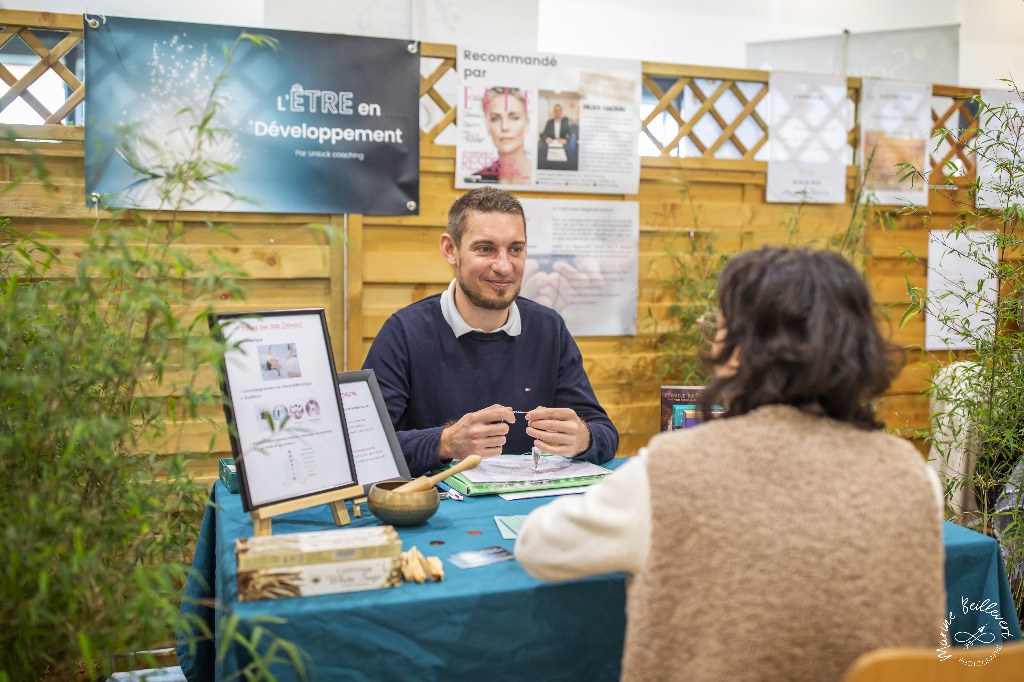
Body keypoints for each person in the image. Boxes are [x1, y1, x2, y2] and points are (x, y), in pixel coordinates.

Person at [515, 246, 945, 682]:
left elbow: (537, 547)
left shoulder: (671, 472)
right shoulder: (915, 477)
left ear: (739, 350)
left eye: (719, 328)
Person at [362, 186, 618, 476]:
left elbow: (605, 433)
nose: (504, 266)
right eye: (485, 249)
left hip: (532, 499)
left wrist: (584, 439)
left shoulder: (549, 328)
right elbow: (365, 449)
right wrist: (445, 443)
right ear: (450, 250)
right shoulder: (404, 332)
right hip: (440, 502)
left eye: (515, 249)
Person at [471, 86, 532, 185]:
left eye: (514, 118)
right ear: (487, 126)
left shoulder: (545, 176)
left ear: (527, 124)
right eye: (495, 119)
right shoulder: (475, 181)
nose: (504, 127)